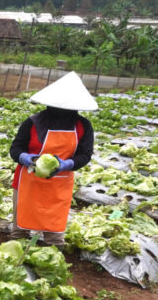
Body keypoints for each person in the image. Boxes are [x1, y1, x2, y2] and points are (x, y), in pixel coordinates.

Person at [9, 71, 97, 247]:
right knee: (20, 229)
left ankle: (52, 256)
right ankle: (15, 254)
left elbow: (85, 155)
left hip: (60, 182)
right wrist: (27, 158)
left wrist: (67, 164)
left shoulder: (82, 126)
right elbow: (15, 149)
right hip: (28, 180)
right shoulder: (33, 122)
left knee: (54, 232)